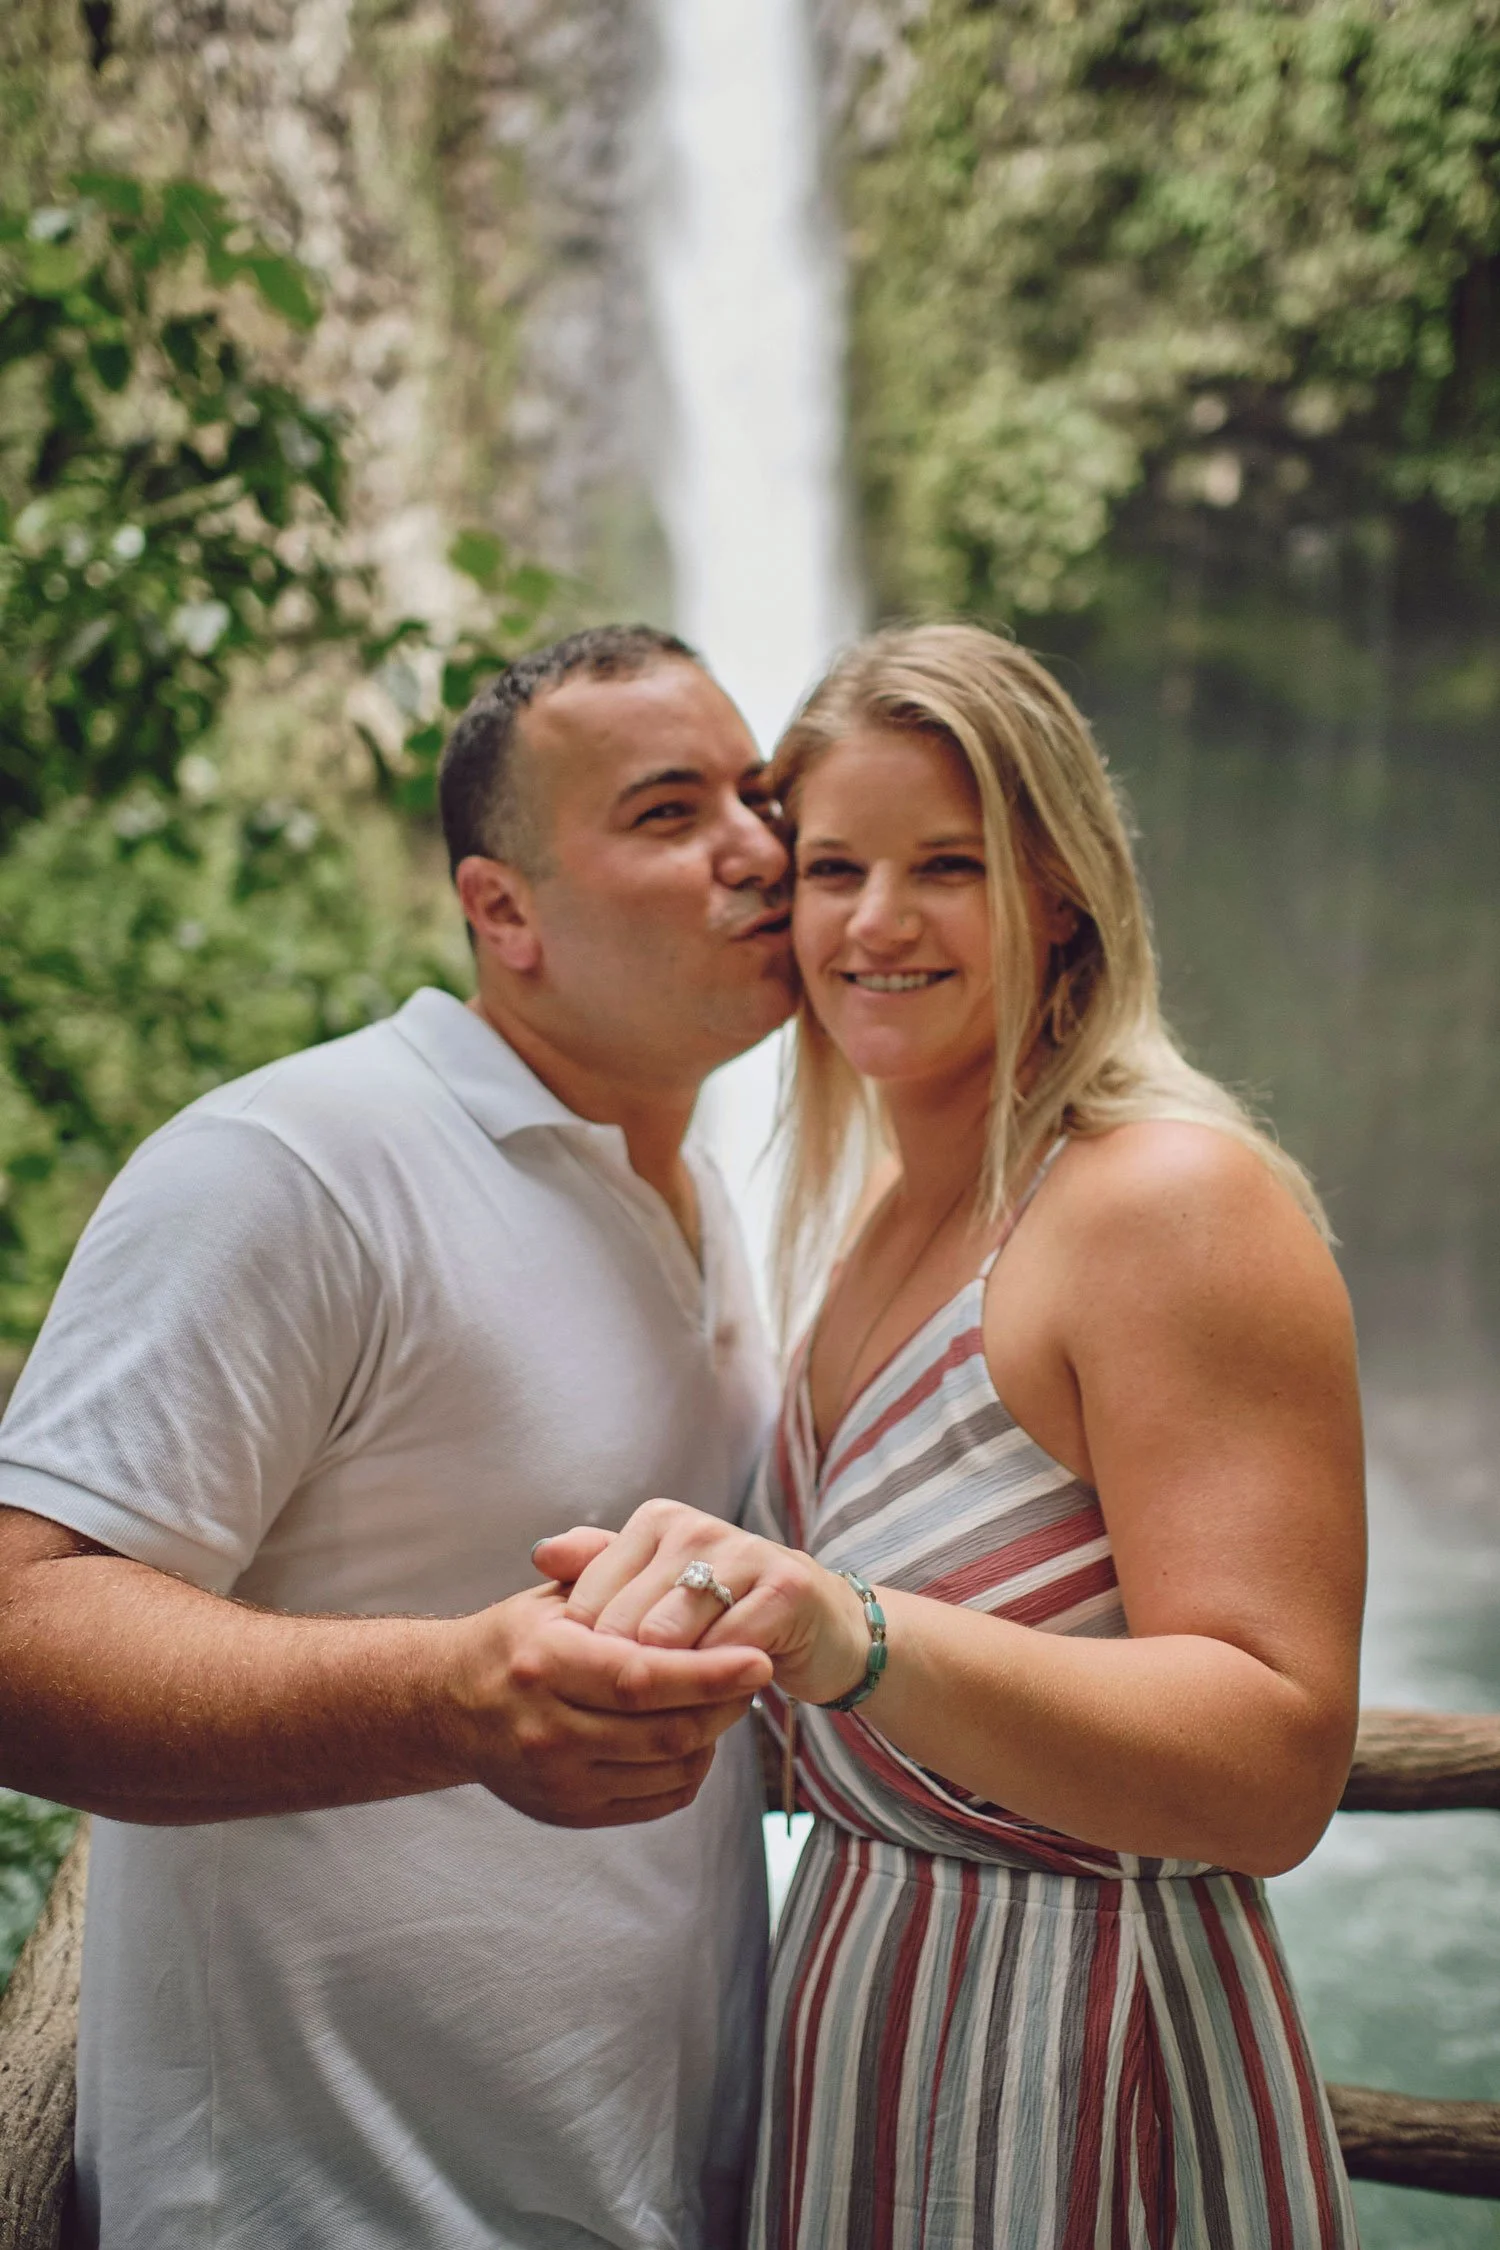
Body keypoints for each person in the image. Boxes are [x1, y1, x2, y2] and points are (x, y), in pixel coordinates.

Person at [538, 623, 1366, 2248]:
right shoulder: (875, 1228)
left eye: (948, 865)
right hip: (861, 2050)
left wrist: (843, 1629)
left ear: (1058, 889)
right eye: (834, 867)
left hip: (1080, 2067)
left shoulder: (1162, 1200)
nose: (877, 922)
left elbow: (1275, 1763)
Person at [0, 624, 797, 2250]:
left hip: (631, 2187)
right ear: (502, 909)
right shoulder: (297, 1165)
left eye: (763, 796)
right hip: (324, 2207)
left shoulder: (710, 1204)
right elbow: (20, 1627)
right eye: (667, 812)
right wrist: (450, 1697)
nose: (761, 852)